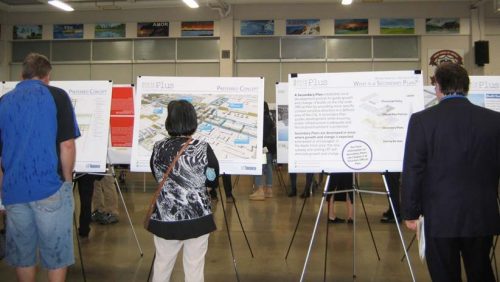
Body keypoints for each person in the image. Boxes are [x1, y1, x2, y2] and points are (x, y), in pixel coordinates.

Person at [402, 62, 500, 282]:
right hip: (481, 215)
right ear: (466, 87)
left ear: (438, 87)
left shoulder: (422, 121)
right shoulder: (494, 121)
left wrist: (410, 212)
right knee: (481, 271)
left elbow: (413, 169)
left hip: (439, 217)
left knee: (444, 275)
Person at [0, 53, 80, 281]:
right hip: (50, 187)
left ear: (21, 74)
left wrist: (3, 190)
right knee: (56, 253)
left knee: (22, 253)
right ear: (47, 76)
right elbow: (66, 144)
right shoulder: (57, 96)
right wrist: (67, 181)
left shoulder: (4, 102)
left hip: (14, 191)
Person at [148, 100, 219, 282]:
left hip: (166, 216)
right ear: (192, 120)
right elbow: (212, 179)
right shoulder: (203, 148)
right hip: (198, 217)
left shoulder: (158, 148)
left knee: (162, 265)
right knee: (194, 267)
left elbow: (157, 176)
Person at [249, 101, 276, 201]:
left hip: (262, 148)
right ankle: (269, 190)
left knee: (258, 168)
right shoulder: (270, 119)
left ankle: (260, 191)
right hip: (269, 149)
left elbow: (262, 136)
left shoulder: (262, 120)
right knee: (268, 168)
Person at [75, 173, 103, 238]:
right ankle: (84, 229)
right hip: (86, 170)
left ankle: (63, 228)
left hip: (73, 169)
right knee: (86, 200)